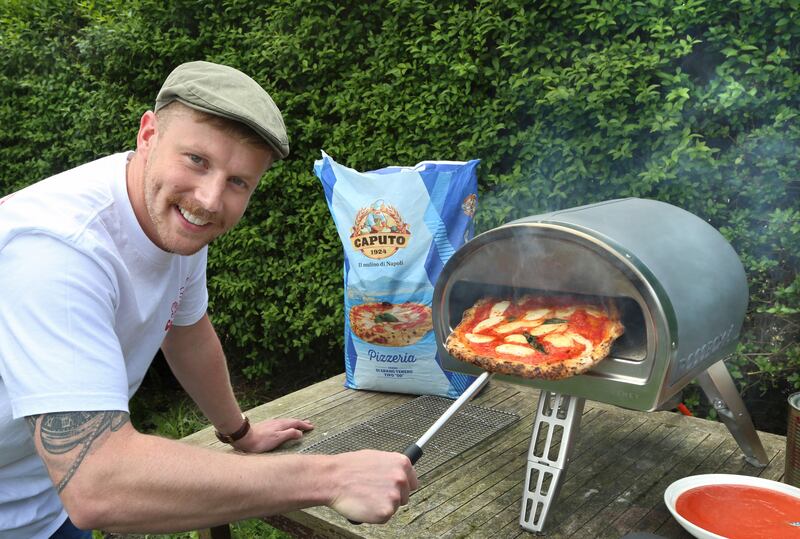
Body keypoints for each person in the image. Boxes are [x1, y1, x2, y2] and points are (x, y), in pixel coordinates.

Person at [0, 61, 417, 539]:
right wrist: (331, 477)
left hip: (44, 503)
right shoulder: (59, 251)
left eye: (238, 181)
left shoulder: (167, 216)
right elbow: (99, 484)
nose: (210, 199)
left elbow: (187, 332)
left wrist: (239, 431)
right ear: (148, 133)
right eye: (197, 160)